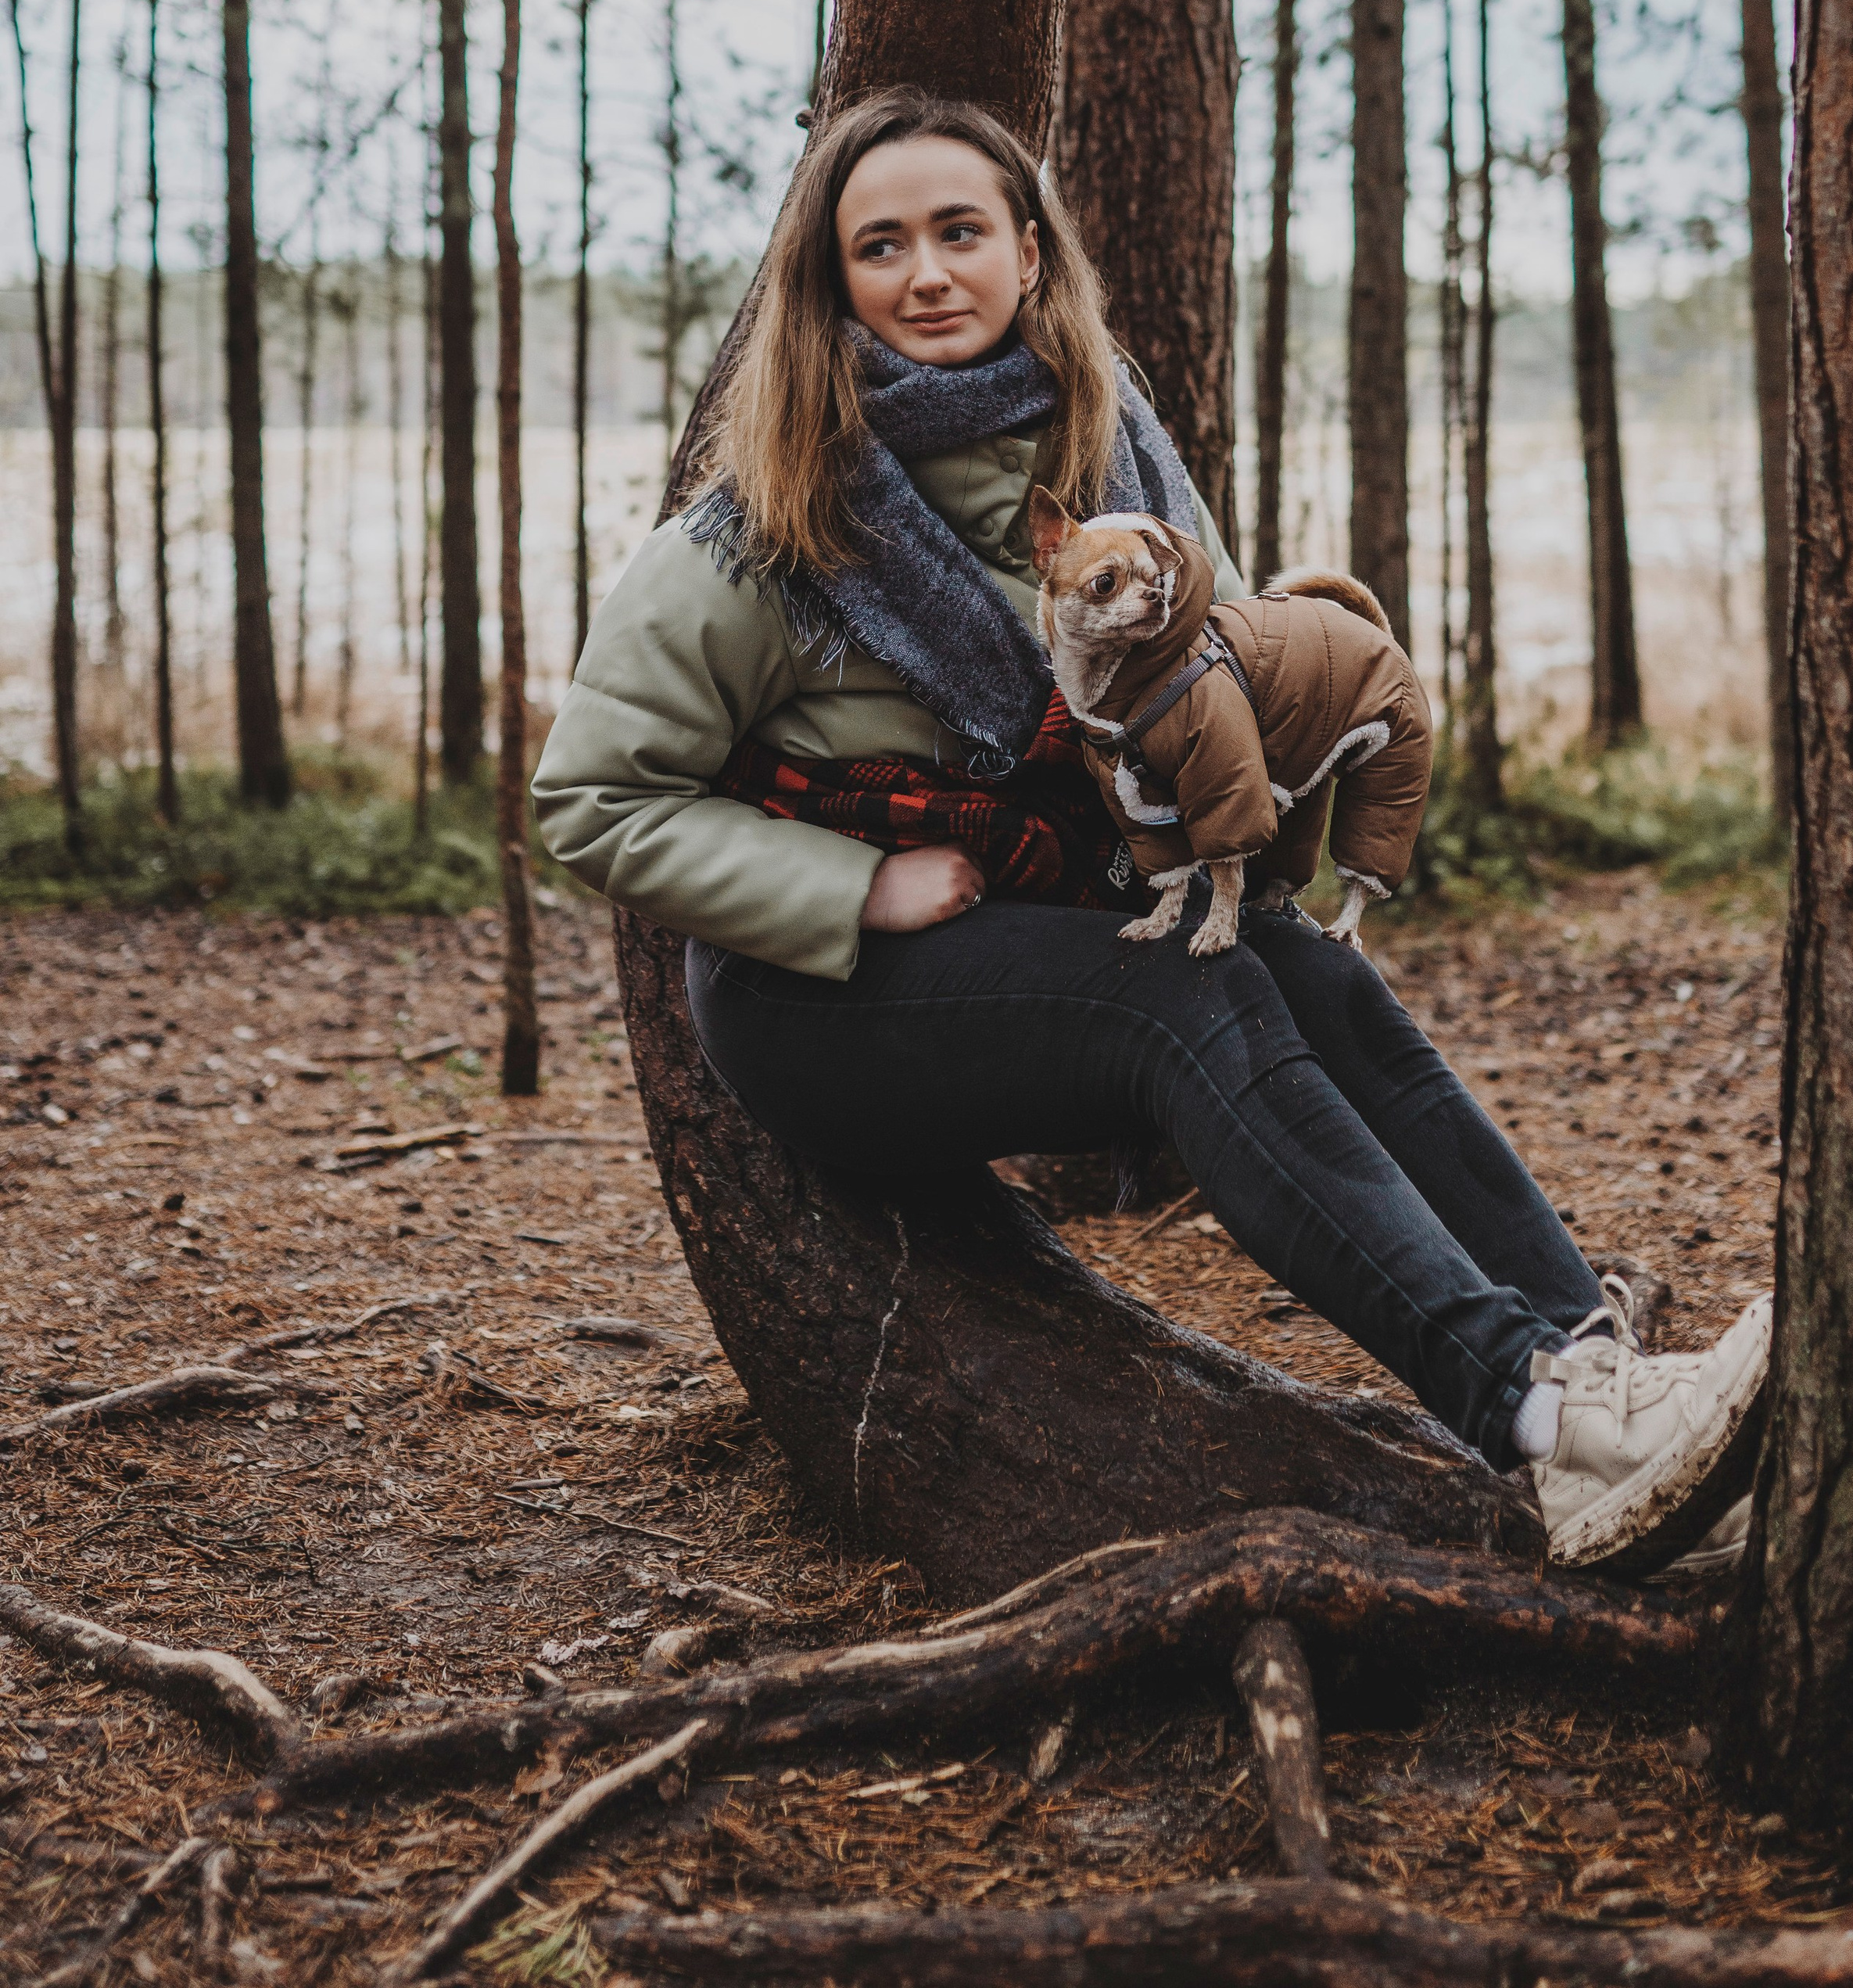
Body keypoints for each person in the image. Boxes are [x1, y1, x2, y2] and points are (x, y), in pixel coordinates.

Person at [533, 88, 1767, 1571]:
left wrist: (1315, 714)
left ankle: (1600, 1364)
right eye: (880, 245)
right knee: (1178, 994)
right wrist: (852, 883)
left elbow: (1212, 688)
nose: (927, 272)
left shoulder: (1118, 457)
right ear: (830, 284)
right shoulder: (767, 522)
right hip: (820, 998)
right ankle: (1538, 1416)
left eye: (960, 231)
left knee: (1295, 961)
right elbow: (591, 799)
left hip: (1052, 924)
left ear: (1031, 257)